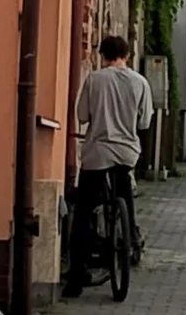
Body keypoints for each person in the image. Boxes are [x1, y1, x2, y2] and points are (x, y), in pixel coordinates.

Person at [64, 35, 154, 298]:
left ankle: (77, 276)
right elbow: (145, 122)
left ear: (102, 55)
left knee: (84, 211)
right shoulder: (140, 82)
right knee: (124, 189)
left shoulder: (95, 79)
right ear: (126, 55)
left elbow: (82, 116)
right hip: (127, 153)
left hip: (98, 153)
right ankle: (131, 233)